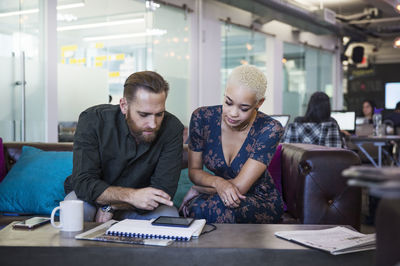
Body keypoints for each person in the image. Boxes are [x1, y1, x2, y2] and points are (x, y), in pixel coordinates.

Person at [64, 71, 184, 222]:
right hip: (91, 199)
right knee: (74, 208)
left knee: (169, 215)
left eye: (159, 114)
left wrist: (111, 206)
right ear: (124, 106)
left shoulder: (172, 128)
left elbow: (163, 192)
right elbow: (83, 183)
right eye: (144, 114)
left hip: (141, 206)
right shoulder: (93, 120)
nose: (153, 124)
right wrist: (131, 196)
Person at [179, 65, 284, 224]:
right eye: (228, 102)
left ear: (259, 103)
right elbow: (194, 171)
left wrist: (198, 189)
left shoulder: (269, 128)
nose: (233, 113)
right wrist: (218, 183)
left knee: (218, 207)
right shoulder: (202, 118)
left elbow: (238, 189)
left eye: (244, 108)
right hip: (220, 194)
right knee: (197, 207)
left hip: (259, 200)